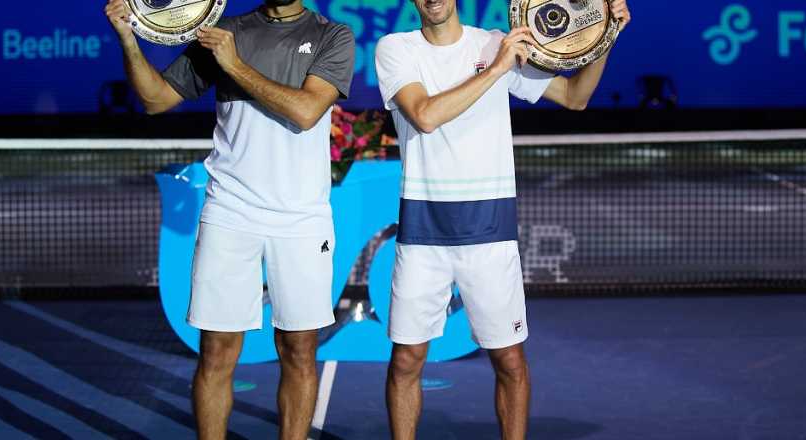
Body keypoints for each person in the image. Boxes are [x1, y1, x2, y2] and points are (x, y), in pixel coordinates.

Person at [374, 1, 630, 438]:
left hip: (490, 231)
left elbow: (575, 97)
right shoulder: (395, 48)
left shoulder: (493, 42)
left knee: (509, 361)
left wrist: (605, 36)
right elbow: (425, 115)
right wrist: (495, 69)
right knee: (405, 361)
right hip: (424, 230)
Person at [103, 1, 355, 439]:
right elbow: (155, 99)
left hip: (301, 219)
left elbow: (306, 110)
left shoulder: (334, 36)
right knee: (216, 353)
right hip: (230, 212)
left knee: (298, 350)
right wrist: (128, 37)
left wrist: (234, 64)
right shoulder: (220, 30)